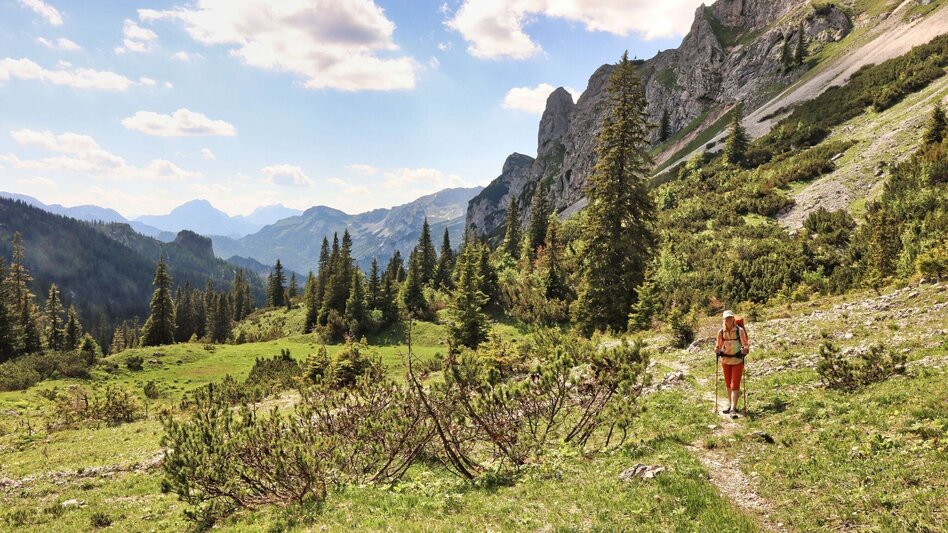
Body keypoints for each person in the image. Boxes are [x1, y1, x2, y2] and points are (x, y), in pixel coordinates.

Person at [716, 310, 749, 418]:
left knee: (735, 384)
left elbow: (746, 344)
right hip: (725, 360)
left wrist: (745, 350)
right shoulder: (721, 332)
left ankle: (733, 409)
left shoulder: (739, 331)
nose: (729, 320)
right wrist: (716, 350)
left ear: (733, 319)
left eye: (730, 318)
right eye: (727, 318)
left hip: (737, 361)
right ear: (724, 320)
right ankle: (731, 406)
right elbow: (718, 345)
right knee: (727, 384)